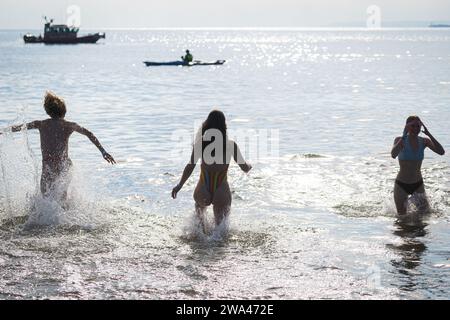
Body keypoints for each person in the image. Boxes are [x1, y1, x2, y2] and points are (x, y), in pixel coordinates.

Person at [1, 91, 115, 203]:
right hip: (64, 164)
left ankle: (51, 219)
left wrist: (3, 131)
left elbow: (20, 127)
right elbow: (89, 133)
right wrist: (103, 152)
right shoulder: (69, 125)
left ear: (48, 111)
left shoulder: (41, 124)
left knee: (46, 197)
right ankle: (64, 217)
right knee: (61, 199)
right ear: (64, 111)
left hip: (49, 165)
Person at [171, 110, 252, 227]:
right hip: (221, 188)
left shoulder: (200, 144)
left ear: (207, 124)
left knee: (199, 225)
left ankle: (199, 240)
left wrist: (179, 185)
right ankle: (216, 244)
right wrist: (250, 165)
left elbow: (190, 166)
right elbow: (244, 168)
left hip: (203, 186)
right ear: (224, 126)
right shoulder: (230, 145)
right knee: (220, 230)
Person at [391, 116, 445, 214]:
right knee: (402, 219)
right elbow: (393, 154)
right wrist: (404, 134)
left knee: (425, 216)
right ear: (407, 126)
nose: (416, 128)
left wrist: (429, 134)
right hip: (401, 184)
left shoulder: (424, 141)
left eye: (418, 126)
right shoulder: (400, 140)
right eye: (412, 126)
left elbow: (441, 152)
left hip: (418, 184)